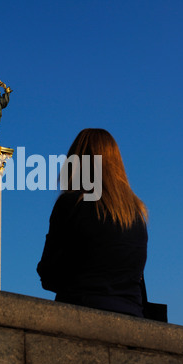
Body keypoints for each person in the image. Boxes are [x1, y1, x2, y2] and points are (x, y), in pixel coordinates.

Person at [37, 128, 149, 318]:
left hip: (81, 311)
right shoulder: (137, 214)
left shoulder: (71, 204)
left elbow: (48, 274)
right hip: (131, 315)